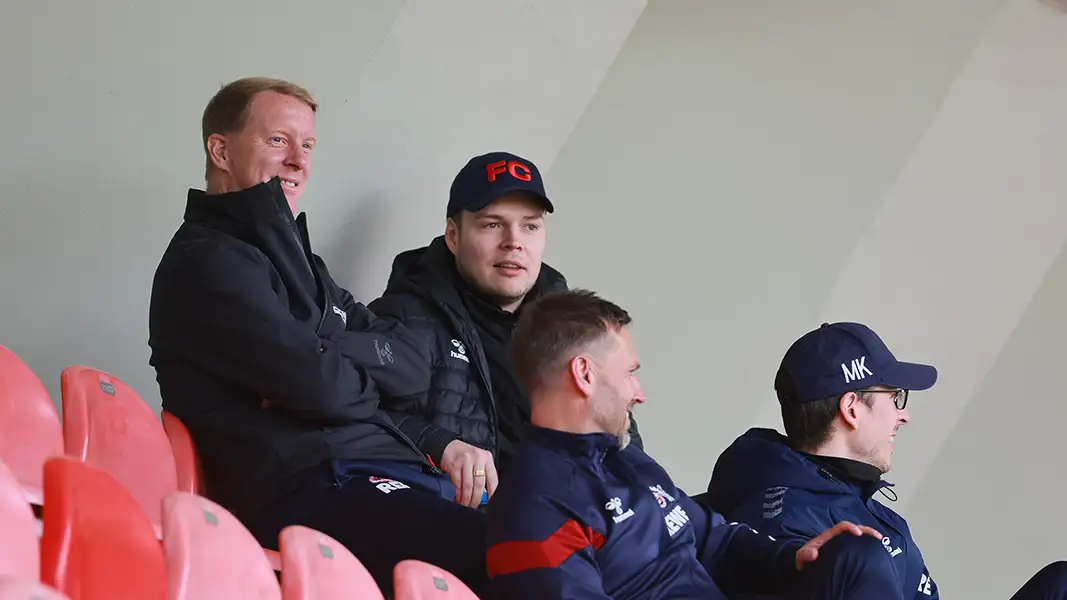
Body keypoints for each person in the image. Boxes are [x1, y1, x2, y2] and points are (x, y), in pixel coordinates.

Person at [147, 77, 487, 596]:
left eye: (307, 145)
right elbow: (322, 388)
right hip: (316, 488)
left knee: (578, 544)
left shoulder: (304, 265)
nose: (299, 161)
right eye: (278, 140)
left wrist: (328, 350)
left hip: (376, 474)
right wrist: (331, 359)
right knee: (516, 558)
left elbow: (415, 368)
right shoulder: (208, 260)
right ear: (220, 149)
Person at [486, 289, 898, 600]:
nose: (639, 391)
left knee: (857, 553)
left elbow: (714, 539)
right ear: (585, 374)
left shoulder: (629, 461)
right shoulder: (537, 505)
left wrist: (790, 556)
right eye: (629, 373)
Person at [705, 321, 1067, 599]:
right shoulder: (790, 522)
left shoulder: (860, 504)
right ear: (851, 409)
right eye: (894, 398)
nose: (902, 415)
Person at [368, 151, 642, 508]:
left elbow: (624, 440)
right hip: (466, 530)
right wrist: (441, 444)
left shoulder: (577, 329)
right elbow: (355, 410)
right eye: (492, 224)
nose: (514, 241)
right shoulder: (406, 315)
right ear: (453, 236)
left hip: (578, 524)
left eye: (530, 225)